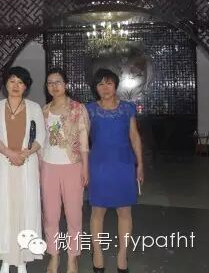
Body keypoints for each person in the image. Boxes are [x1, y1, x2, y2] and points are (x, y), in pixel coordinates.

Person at [0, 66, 46, 273]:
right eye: (12, 81)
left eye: (20, 82)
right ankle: (6, 258)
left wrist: (24, 154)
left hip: (26, 165)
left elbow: (40, 138)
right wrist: (10, 153)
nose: (15, 85)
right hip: (4, 164)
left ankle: (22, 260)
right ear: (5, 83)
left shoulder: (34, 108)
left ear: (26, 87)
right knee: (5, 211)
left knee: (25, 210)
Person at [86, 68, 144, 273]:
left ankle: (122, 256)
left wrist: (140, 164)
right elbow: (82, 139)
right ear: (96, 88)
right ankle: (97, 254)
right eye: (100, 84)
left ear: (116, 85)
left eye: (109, 83)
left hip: (123, 164)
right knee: (97, 211)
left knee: (125, 211)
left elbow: (134, 136)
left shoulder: (127, 108)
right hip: (98, 165)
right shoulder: (89, 109)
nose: (105, 88)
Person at [40, 68, 89, 273]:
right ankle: (54, 255)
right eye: (50, 83)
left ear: (66, 84)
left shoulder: (78, 108)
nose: (54, 86)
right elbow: (40, 142)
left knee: (73, 215)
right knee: (50, 215)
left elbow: (84, 140)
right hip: (48, 167)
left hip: (72, 166)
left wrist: (85, 168)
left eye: (58, 82)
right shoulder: (44, 110)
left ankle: (72, 258)